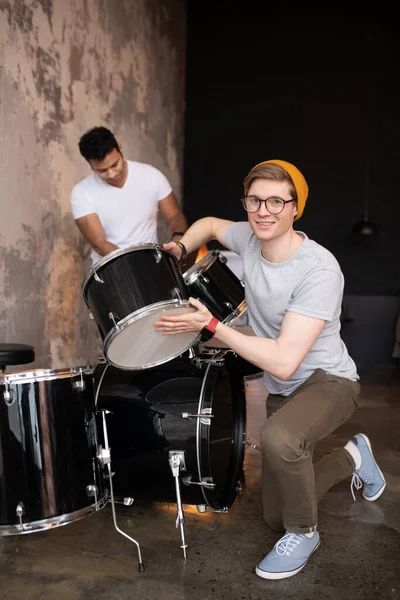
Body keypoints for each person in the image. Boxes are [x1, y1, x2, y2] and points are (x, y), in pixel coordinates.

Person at [154, 159, 386, 580]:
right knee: (273, 518)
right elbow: (206, 224)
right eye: (255, 200)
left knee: (280, 438)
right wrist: (179, 247)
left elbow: (283, 358)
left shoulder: (318, 269)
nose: (264, 210)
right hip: (284, 385)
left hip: (328, 380)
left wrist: (211, 326)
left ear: (296, 208)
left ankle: (306, 532)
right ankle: (354, 456)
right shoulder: (248, 236)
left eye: (277, 201)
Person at [70, 126, 188, 264]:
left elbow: (175, 217)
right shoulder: (81, 193)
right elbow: (99, 243)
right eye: (102, 170)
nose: (111, 174)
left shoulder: (151, 175)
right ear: (89, 164)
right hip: (111, 269)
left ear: (120, 148)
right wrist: (134, 266)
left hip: (153, 264)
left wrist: (177, 243)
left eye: (115, 164)